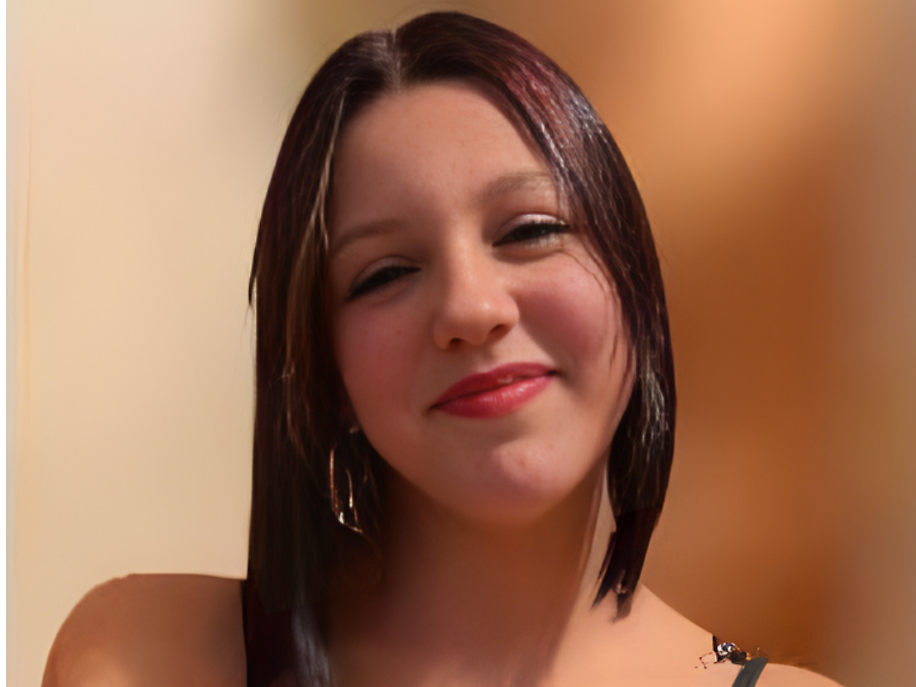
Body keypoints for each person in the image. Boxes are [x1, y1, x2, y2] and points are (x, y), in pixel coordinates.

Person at [43, 12, 840, 687]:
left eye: (530, 231)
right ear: (325, 372)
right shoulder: (148, 656)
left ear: (635, 286)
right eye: (385, 273)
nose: (470, 308)